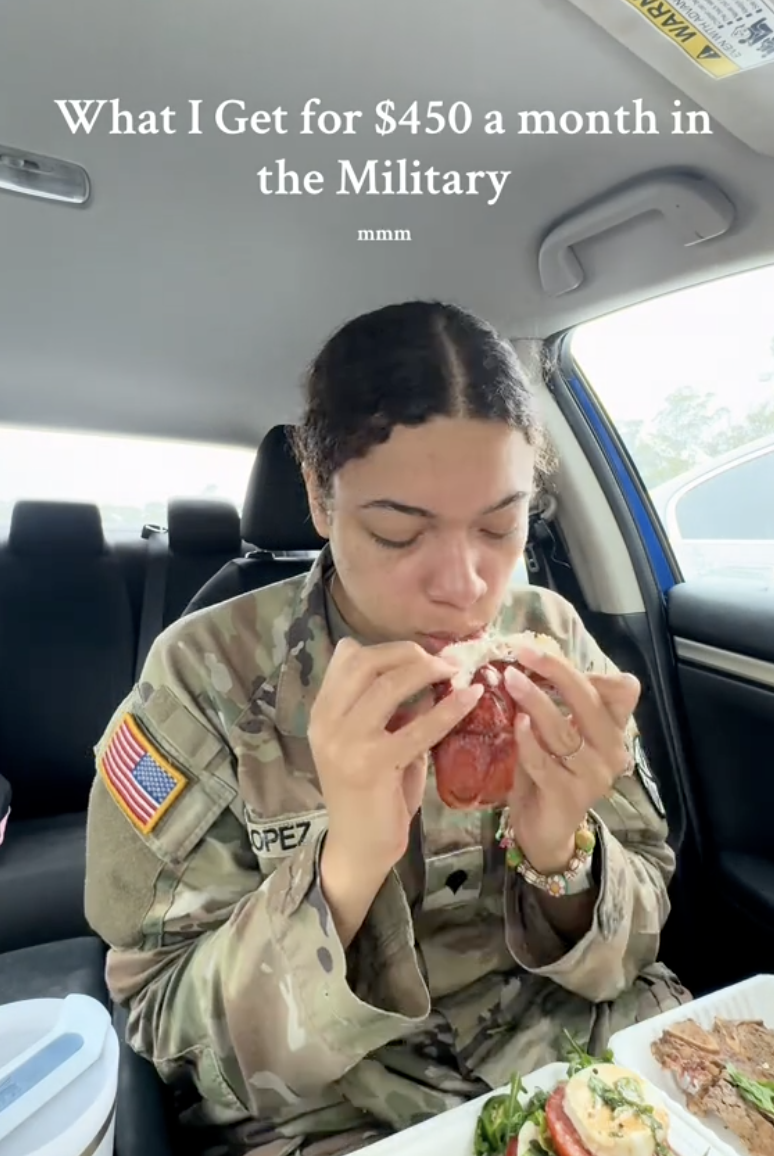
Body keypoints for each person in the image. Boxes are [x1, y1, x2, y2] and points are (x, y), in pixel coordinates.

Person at [84, 300, 690, 1156]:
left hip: (580, 1051)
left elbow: (646, 915)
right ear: (320, 500)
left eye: (499, 525)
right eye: (398, 531)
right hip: (337, 1107)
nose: (464, 584)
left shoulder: (552, 639)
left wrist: (562, 857)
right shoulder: (203, 679)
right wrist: (346, 868)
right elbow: (166, 1025)